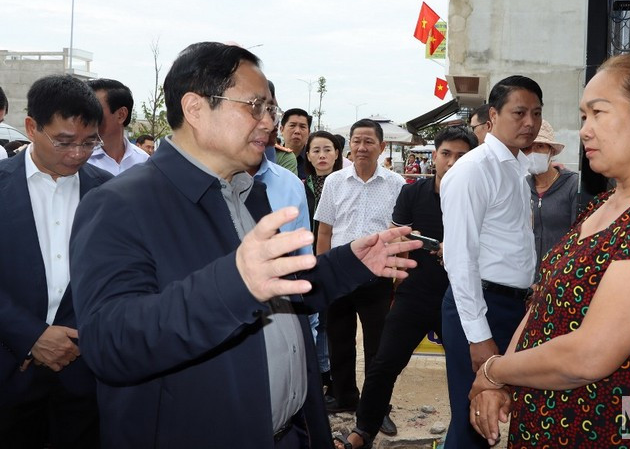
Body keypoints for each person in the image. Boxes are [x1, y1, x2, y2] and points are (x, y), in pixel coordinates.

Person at [69, 42, 420, 449]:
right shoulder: (119, 204)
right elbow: (110, 344)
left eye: (271, 108)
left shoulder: (248, 192)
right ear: (196, 109)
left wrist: (346, 264)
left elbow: (279, 291)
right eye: (255, 106)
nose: (269, 122)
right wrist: (235, 284)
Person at [468, 53, 630, 448]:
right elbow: (542, 307)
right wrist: (505, 377)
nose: (585, 131)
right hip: (545, 430)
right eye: (583, 117)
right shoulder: (604, 205)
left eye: (598, 113)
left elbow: (588, 356)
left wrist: (494, 370)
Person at [335, 126, 477, 449]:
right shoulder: (413, 193)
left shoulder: (477, 197)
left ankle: (466, 436)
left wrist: (454, 249)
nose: (452, 162)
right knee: (385, 362)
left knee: (464, 370)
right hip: (415, 294)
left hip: (460, 298)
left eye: (461, 156)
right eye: (446, 154)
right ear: (435, 156)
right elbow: (397, 237)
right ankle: (363, 430)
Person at [0, 74, 110, 448]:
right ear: (32, 127)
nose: (78, 153)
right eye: (64, 141)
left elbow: (121, 277)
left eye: (89, 142)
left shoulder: (109, 195)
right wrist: (30, 336)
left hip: (84, 376)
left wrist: (77, 336)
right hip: (9, 371)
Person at [440, 75, 544, 449]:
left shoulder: (516, 167)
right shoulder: (473, 170)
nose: (529, 122)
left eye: (535, 113)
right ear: (492, 116)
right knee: (476, 421)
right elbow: (460, 259)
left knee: (489, 421)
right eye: (519, 113)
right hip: (481, 307)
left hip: (512, 305)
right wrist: (479, 336)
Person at [314, 119, 405, 434]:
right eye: (357, 141)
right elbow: (325, 231)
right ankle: (344, 396)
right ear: (348, 146)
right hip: (338, 272)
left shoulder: (396, 184)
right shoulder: (335, 182)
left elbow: (402, 235)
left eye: (369, 141)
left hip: (377, 276)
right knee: (339, 340)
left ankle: (377, 408)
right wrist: (323, 271)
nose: (362, 147)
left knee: (379, 348)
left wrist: (397, 275)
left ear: (381, 147)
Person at [304, 130, 344, 392]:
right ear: (308, 155)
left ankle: (329, 372)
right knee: (312, 320)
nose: (322, 155)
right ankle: (318, 371)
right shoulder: (299, 184)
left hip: (332, 263)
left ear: (337, 153)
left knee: (330, 322)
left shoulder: (343, 183)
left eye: (327, 149)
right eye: (316, 150)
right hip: (303, 260)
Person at [525, 120, 580, 269]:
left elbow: (578, 236)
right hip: (526, 278)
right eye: (528, 148)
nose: (533, 152)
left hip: (560, 275)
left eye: (540, 146)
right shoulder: (522, 187)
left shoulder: (572, 185)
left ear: (551, 151)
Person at [87, 79, 149, 175]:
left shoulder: (144, 161)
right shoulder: (79, 160)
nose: (85, 116)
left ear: (121, 115)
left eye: (94, 108)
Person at [279, 108, 312, 179]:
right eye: (292, 125)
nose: (297, 131)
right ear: (281, 129)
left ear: (309, 133)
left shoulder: (313, 160)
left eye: (302, 127)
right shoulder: (273, 157)